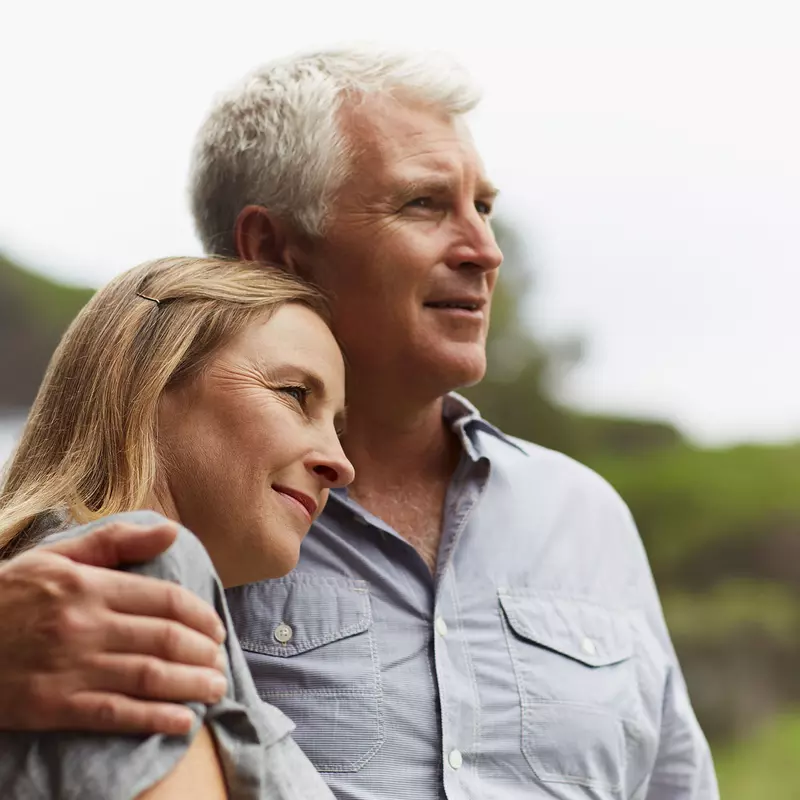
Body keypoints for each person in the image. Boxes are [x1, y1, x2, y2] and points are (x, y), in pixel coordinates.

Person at [0, 48, 719, 798]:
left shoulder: (587, 517)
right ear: (274, 249)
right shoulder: (182, 537)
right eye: (424, 204)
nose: (484, 250)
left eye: (484, 207)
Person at [0, 255, 352, 798]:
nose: (340, 463)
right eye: (295, 394)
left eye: (338, 426)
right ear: (149, 376)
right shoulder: (135, 569)